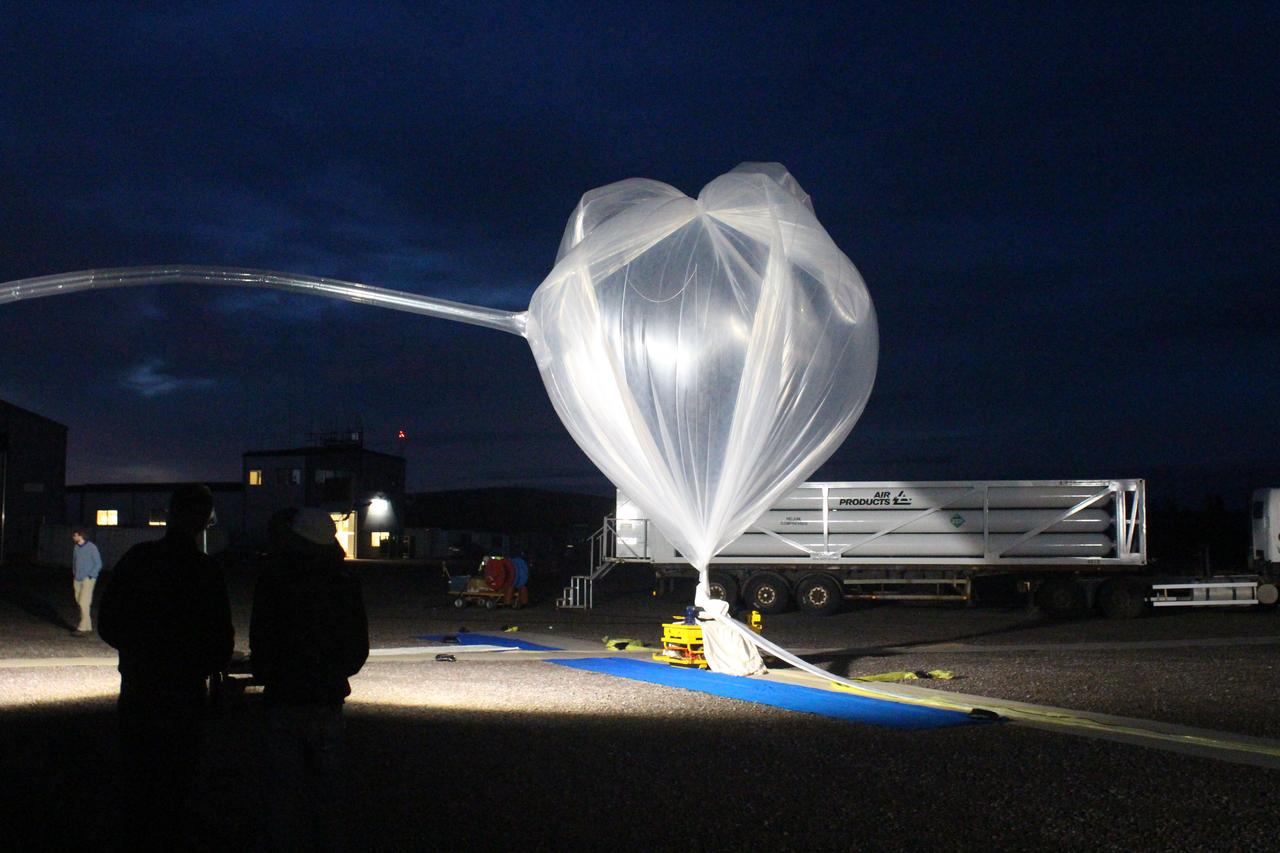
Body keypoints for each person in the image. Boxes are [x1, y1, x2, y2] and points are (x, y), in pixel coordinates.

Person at [97, 483, 234, 849]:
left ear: (170, 513)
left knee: (139, 777)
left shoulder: (138, 559)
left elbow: (108, 621)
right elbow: (222, 640)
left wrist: (138, 651)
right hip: (185, 693)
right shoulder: (206, 571)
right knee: (178, 778)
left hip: (140, 687)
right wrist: (197, 663)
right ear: (204, 521)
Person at [251, 507, 369, 852]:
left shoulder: (274, 578)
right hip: (326, 696)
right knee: (329, 793)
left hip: (284, 696)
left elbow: (262, 639)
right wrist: (333, 672)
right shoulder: (344, 582)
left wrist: (271, 672)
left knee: (281, 794)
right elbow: (356, 648)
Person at [70, 529, 102, 634]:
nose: (73, 537)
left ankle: (82, 627)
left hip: (88, 579)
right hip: (77, 578)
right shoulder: (76, 548)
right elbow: (75, 562)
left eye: (75, 535)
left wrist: (90, 575)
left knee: (84, 602)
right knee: (80, 602)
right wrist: (74, 573)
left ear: (80, 536)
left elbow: (98, 563)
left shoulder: (91, 547)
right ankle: (88, 626)